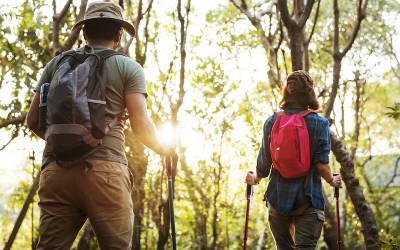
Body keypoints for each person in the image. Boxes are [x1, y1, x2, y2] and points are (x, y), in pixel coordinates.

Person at [26, 2, 172, 249]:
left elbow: (32, 121)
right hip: (106, 172)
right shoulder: (128, 67)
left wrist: (67, 143)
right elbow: (141, 125)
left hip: (56, 172)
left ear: (84, 32)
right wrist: (166, 149)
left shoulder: (57, 64)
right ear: (118, 34)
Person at [245, 70, 342, 250]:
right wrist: (332, 180)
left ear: (286, 92)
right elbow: (322, 165)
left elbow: (265, 162)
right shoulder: (319, 123)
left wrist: (255, 178)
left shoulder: (272, 121)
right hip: (308, 199)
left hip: (277, 198)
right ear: (310, 93)